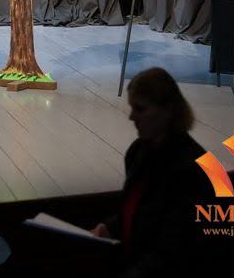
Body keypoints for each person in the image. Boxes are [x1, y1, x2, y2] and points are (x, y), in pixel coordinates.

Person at [91, 68, 221, 277]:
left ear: (168, 110)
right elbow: (138, 211)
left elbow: (175, 249)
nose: (131, 117)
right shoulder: (138, 151)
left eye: (140, 109)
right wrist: (109, 228)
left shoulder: (193, 170)